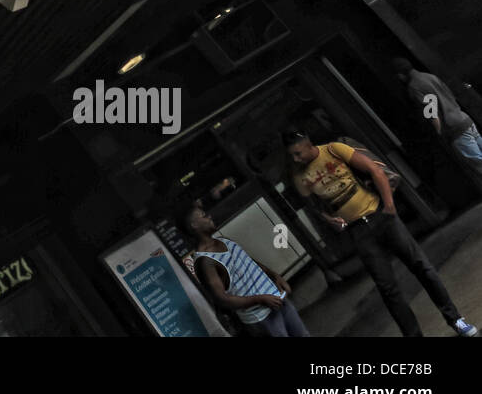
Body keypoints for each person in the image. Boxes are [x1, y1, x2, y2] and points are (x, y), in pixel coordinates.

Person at [284, 129, 478, 337]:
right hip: (359, 232)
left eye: (298, 153)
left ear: (307, 143)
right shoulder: (300, 176)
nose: (296, 159)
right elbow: (314, 206)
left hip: (382, 217)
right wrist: (330, 219)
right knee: (388, 289)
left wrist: (389, 206)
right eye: (292, 156)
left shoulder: (333, 149)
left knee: (422, 267)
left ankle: (456, 320)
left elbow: (374, 170)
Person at [181, 203, 308, 336]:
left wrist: (275, 276)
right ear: (194, 225)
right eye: (204, 216)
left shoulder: (224, 241)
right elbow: (223, 299)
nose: (209, 216)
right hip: (260, 317)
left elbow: (251, 262)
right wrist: (260, 299)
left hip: (278, 300)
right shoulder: (205, 261)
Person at [392, 57, 482, 178]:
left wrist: (439, 133)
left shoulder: (414, 86)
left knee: (478, 163)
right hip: (464, 118)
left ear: (401, 74)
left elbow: (432, 114)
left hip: (454, 128)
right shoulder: (430, 76)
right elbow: (451, 95)